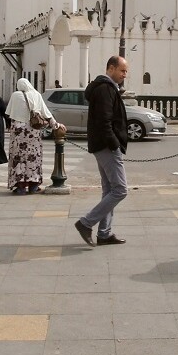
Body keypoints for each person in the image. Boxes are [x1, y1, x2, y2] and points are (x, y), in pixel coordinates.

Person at [73, 56, 130, 246]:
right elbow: (105, 121)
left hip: (101, 145)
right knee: (120, 190)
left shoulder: (104, 88)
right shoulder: (106, 89)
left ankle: (104, 234)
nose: (125, 74)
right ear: (111, 68)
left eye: (125, 71)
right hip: (106, 146)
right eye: (122, 70)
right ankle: (86, 223)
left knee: (109, 190)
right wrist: (114, 144)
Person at [5, 78, 64, 194]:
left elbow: (8, 113)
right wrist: (56, 125)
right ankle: (33, 185)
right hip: (33, 131)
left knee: (19, 159)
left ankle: (20, 187)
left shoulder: (15, 95)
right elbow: (46, 113)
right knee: (33, 158)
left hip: (18, 132)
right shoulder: (36, 94)